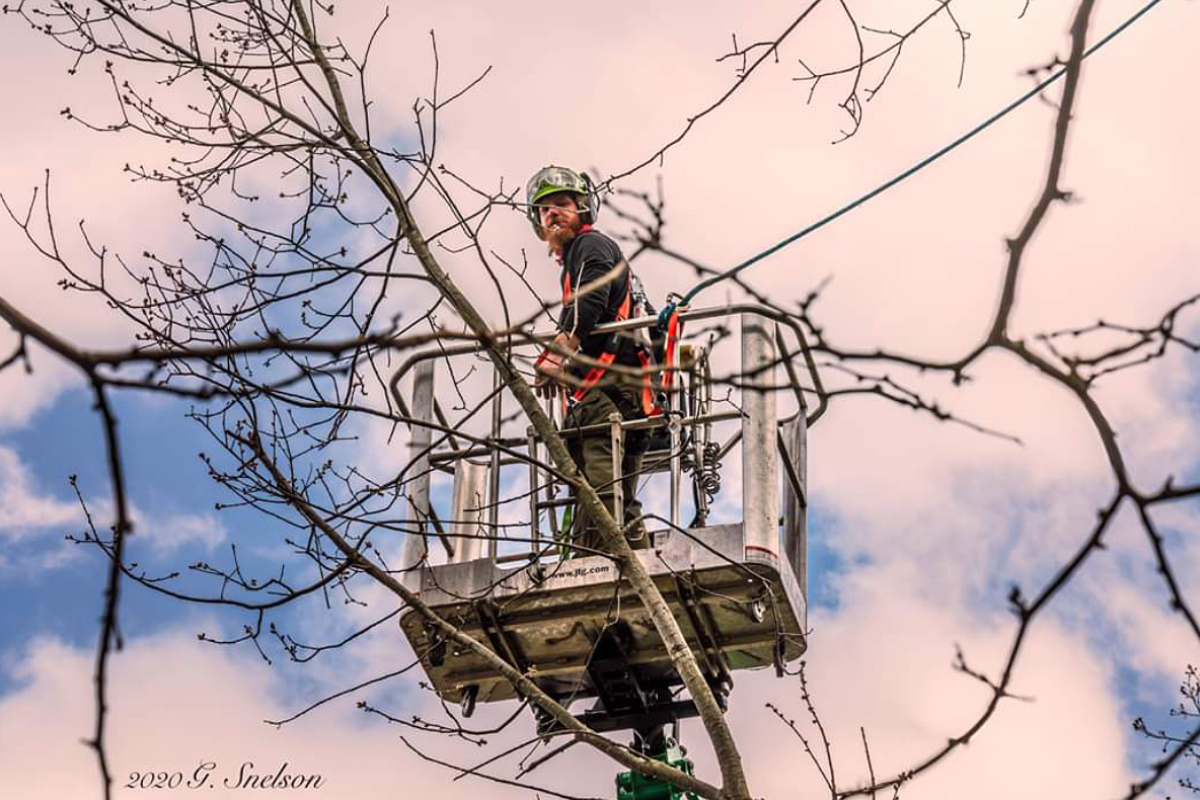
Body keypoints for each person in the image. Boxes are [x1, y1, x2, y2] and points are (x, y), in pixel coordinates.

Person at [525, 165, 653, 557]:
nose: (553, 214)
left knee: (597, 490)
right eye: (544, 210)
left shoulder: (590, 247)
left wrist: (559, 352)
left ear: (582, 208)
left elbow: (592, 297)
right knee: (617, 495)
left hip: (605, 395)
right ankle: (632, 557)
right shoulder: (581, 258)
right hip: (625, 393)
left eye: (561, 204)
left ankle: (604, 562)